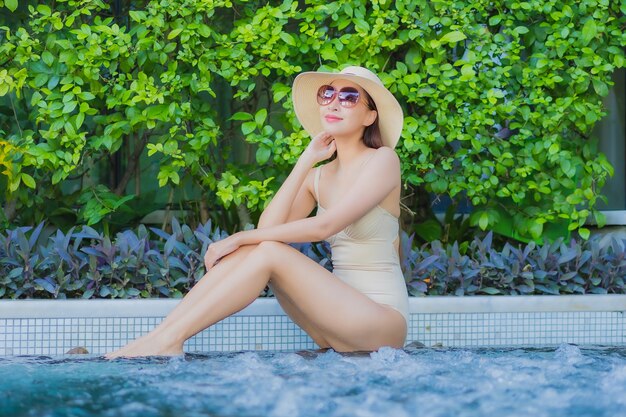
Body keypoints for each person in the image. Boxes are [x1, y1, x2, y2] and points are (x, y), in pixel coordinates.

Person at [105, 66, 409, 358]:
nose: (334, 103)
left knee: (266, 250)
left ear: (371, 115)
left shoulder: (383, 161)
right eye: (328, 93)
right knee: (261, 247)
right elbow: (270, 227)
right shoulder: (318, 175)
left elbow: (324, 227)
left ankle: (169, 339)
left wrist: (239, 236)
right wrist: (305, 162)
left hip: (380, 323)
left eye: (349, 97)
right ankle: (161, 337)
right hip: (333, 323)